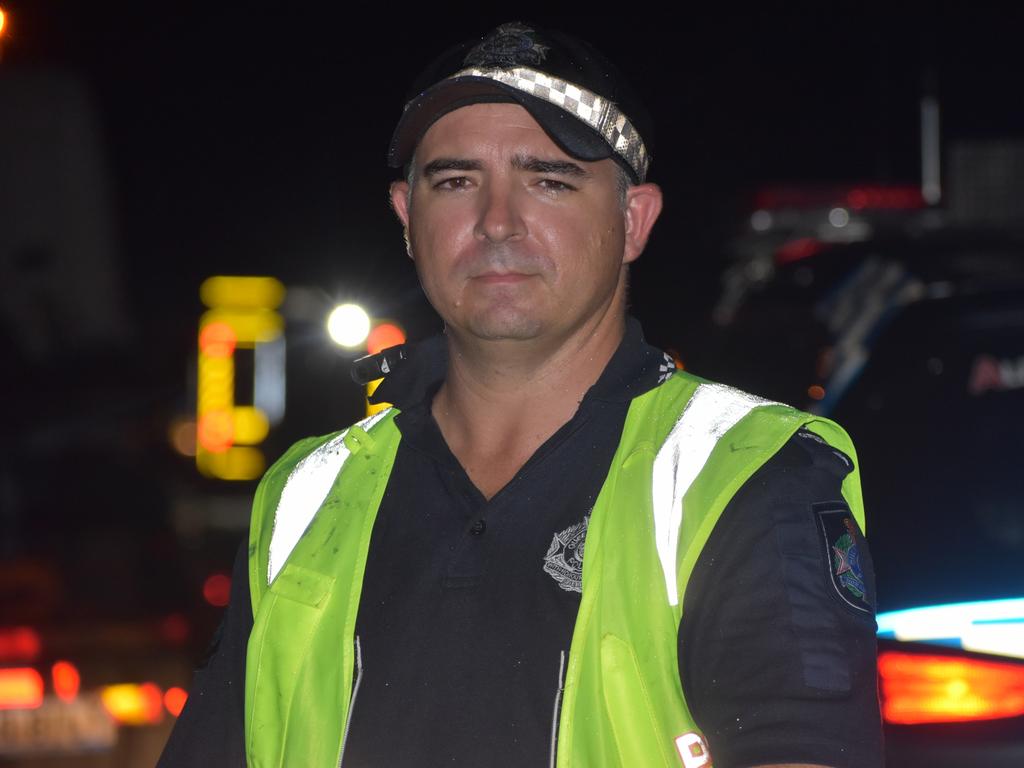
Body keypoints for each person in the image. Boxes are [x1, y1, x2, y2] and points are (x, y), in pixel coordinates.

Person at [159, 22, 882, 768]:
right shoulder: (305, 497)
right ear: (408, 220)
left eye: (549, 180)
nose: (496, 222)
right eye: (455, 181)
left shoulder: (748, 477)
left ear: (634, 221)